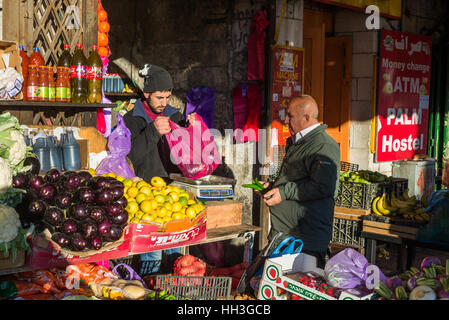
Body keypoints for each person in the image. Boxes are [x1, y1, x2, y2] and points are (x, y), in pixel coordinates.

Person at [123, 64, 196, 275]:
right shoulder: (132, 120)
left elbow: (188, 152)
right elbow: (130, 157)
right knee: (152, 255)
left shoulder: (175, 116)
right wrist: (152, 132)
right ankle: (150, 288)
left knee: (175, 254)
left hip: (174, 196)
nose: (164, 103)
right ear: (146, 94)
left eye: (167, 97)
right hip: (146, 198)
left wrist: (192, 129)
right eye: (159, 98)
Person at [260, 95, 340, 269]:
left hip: (304, 240)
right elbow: (297, 179)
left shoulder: (323, 145)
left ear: (306, 117)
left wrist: (283, 192)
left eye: (291, 115)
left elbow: (322, 187)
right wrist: (274, 187)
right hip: (286, 235)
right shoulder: (301, 141)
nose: (286, 120)